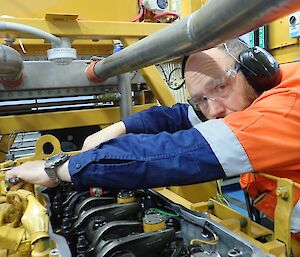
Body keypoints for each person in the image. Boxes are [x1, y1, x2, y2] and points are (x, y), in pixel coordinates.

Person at [5, 39, 300, 241]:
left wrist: (56, 170)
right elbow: (174, 117)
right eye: (201, 100)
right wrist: (116, 128)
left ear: (255, 70)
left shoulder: (282, 111)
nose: (214, 111)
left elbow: (173, 154)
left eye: (219, 87)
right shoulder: (247, 96)